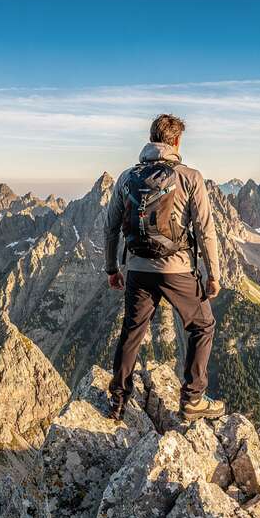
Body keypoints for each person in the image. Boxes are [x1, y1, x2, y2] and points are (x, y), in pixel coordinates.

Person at [102, 114, 226, 422]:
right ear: (176, 141)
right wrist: (214, 274)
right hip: (178, 269)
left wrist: (111, 268)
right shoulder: (190, 177)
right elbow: (205, 229)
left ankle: (118, 401)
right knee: (203, 325)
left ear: (150, 139)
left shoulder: (127, 177)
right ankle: (193, 399)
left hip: (138, 269)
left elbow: (110, 227)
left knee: (132, 331)